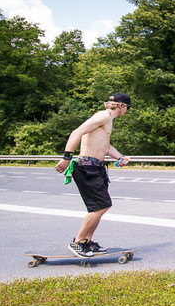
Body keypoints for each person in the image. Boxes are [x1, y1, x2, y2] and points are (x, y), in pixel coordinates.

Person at [54, 93, 132, 257]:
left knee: (99, 207)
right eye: (127, 108)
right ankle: (78, 242)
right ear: (121, 106)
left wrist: (120, 157)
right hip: (87, 167)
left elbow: (106, 146)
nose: (127, 111)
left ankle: (86, 242)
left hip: (96, 168)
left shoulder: (107, 120)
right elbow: (77, 132)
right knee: (101, 205)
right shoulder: (103, 116)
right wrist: (66, 157)